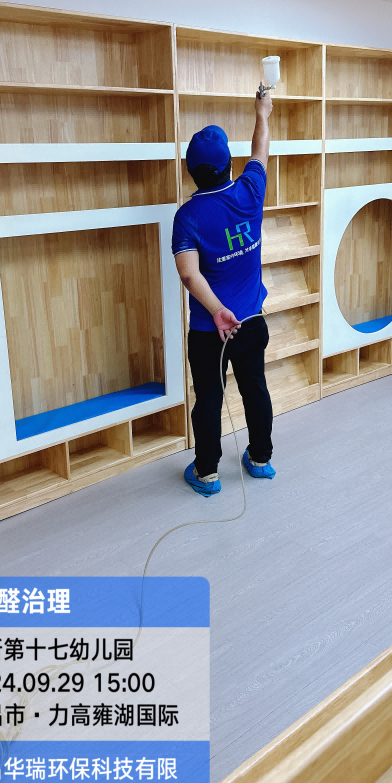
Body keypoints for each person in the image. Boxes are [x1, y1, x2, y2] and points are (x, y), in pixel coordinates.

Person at [172, 93, 275, 497]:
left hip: (208, 331)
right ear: (230, 164)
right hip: (251, 322)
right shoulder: (250, 190)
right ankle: (261, 460)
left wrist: (216, 311)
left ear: (191, 172)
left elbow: (188, 273)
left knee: (210, 400)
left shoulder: (187, 216)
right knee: (255, 390)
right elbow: (260, 150)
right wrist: (262, 112)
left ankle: (207, 473)